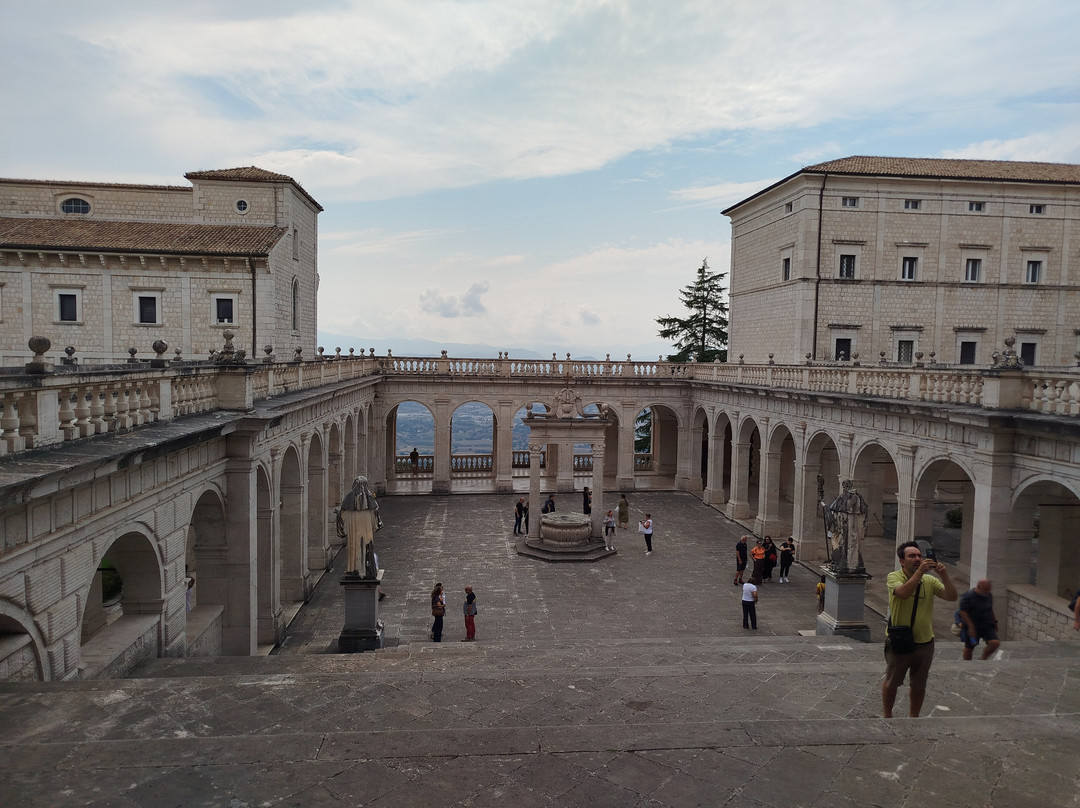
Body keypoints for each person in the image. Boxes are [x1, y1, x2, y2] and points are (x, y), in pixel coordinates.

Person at [882, 541, 957, 718]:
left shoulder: (929, 581)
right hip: (899, 641)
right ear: (902, 561)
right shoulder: (894, 577)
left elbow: (952, 596)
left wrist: (944, 576)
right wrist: (919, 572)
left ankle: (914, 717)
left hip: (925, 641)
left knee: (919, 684)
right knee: (892, 681)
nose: (917, 559)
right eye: (912, 556)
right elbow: (903, 593)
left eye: (919, 556)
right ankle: (887, 715)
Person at [958, 579, 1000, 661]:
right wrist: (970, 627)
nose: (987, 592)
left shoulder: (988, 595)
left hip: (986, 625)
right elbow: (962, 612)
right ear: (978, 587)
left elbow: (990, 609)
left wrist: (995, 621)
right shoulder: (968, 596)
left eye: (988, 589)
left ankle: (983, 658)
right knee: (970, 647)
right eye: (985, 589)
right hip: (972, 627)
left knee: (995, 642)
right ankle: (967, 663)